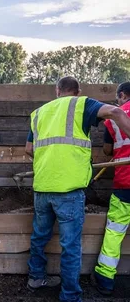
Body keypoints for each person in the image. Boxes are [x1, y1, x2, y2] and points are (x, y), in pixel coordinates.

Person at [24, 76, 130, 302]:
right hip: (69, 190)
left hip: (42, 187)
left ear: (57, 91)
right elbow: (118, 113)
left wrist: (49, 160)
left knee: (39, 237)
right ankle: (70, 295)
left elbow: (29, 149)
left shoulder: (39, 113)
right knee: (70, 245)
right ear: (78, 90)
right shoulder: (82, 104)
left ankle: (36, 277)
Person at [92, 82, 130, 295]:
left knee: (115, 232)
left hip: (124, 182)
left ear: (123, 95)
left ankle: (105, 279)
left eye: (118, 99)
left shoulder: (114, 118)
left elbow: (107, 150)